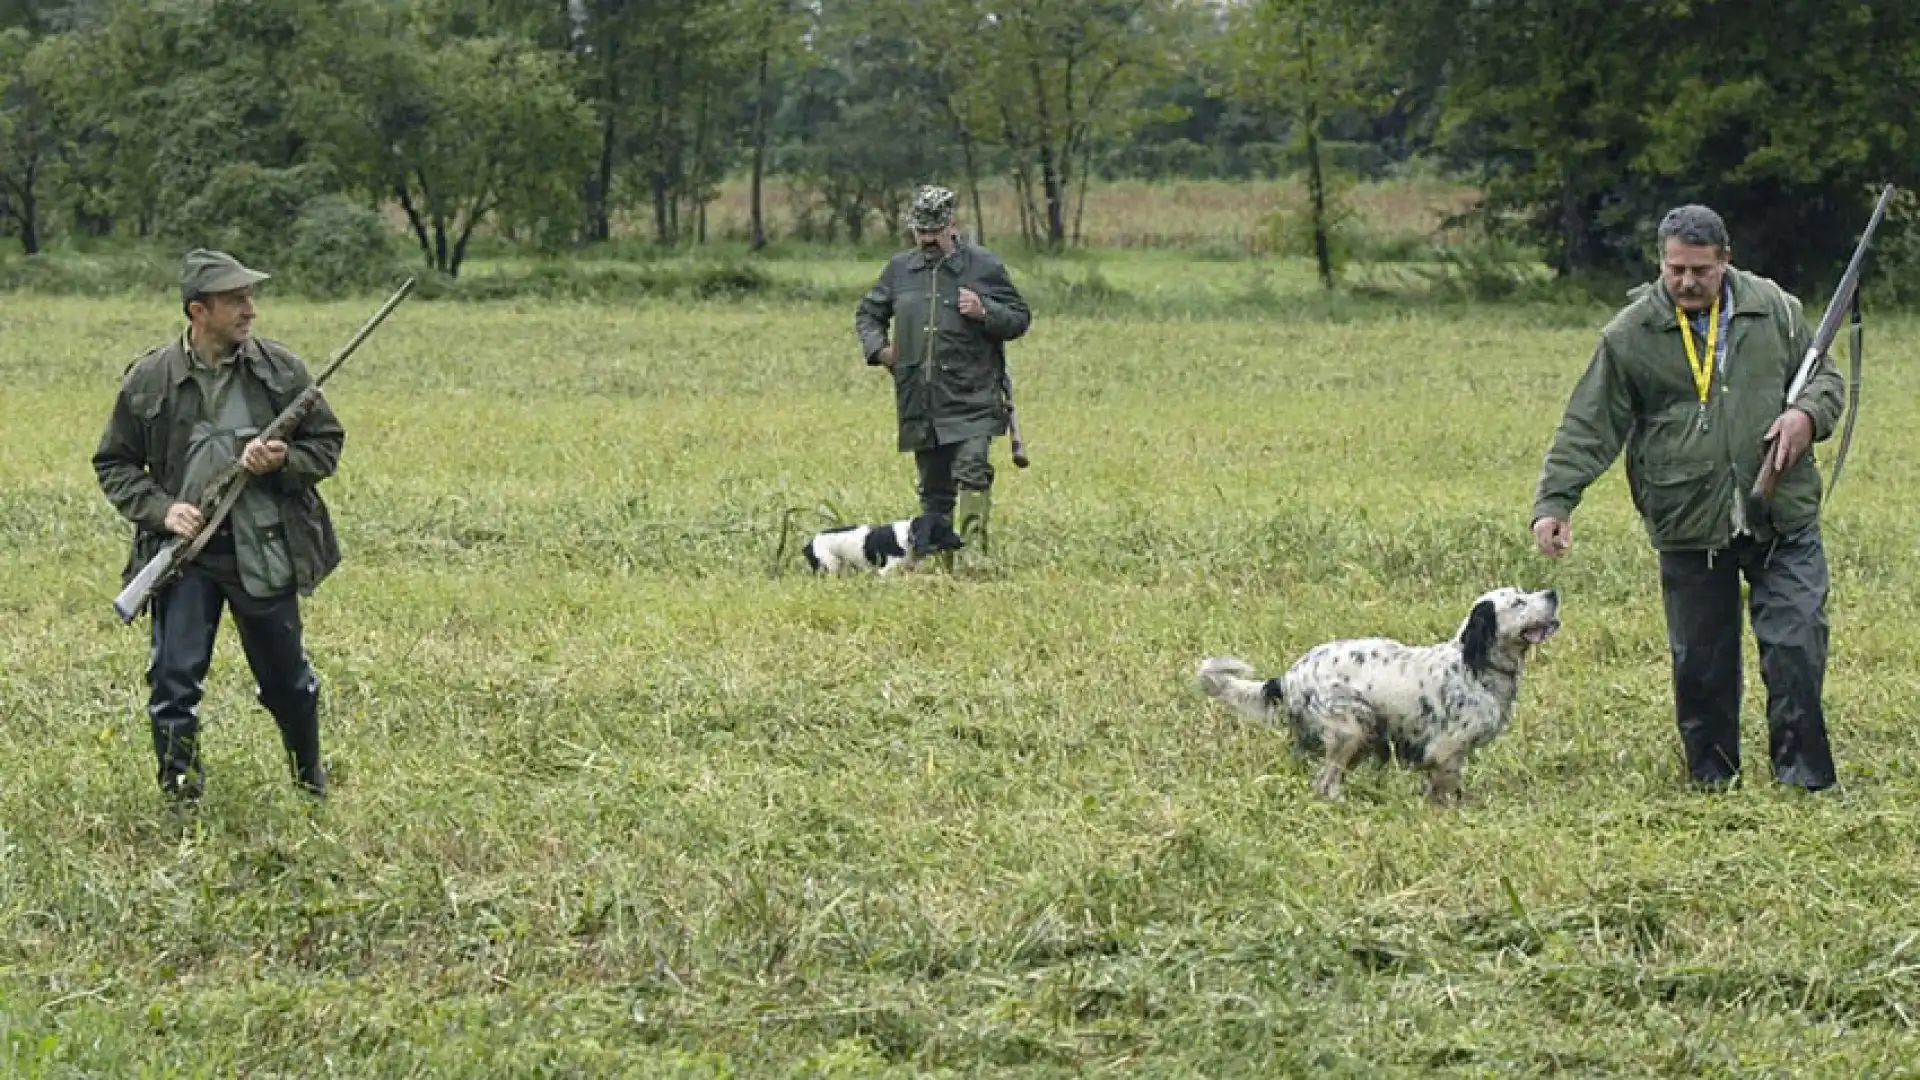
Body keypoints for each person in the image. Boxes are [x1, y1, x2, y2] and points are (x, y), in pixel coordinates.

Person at [1530, 205, 1845, 791]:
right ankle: (1712, 782)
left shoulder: (1774, 308)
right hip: (1687, 521)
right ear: (1661, 263)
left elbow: (1826, 375)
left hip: (1782, 515)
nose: (1687, 282)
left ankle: (1804, 783)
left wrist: (1806, 415)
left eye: (1701, 269)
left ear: (1726, 260)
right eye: (1675, 269)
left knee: (1797, 648)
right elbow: (1589, 424)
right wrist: (1555, 503)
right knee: (1701, 663)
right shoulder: (1631, 334)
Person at [92, 249, 346, 802]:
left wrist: (282, 462)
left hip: (265, 551)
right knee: (173, 684)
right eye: (236, 300)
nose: (250, 309)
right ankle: (182, 802)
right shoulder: (149, 377)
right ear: (198, 311)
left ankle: (310, 787)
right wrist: (163, 510)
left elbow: (327, 445)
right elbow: (113, 463)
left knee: (289, 686)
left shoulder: (282, 370)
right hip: (186, 558)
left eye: (251, 297)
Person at [855, 185, 1032, 568]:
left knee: (972, 469)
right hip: (920, 398)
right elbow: (868, 314)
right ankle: (938, 558)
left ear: (952, 224)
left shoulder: (983, 266)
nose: (927, 239)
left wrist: (986, 311)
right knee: (934, 490)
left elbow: (1019, 318)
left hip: (973, 397)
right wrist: (880, 351)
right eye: (920, 231)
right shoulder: (901, 269)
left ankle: (970, 556)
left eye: (934, 231)